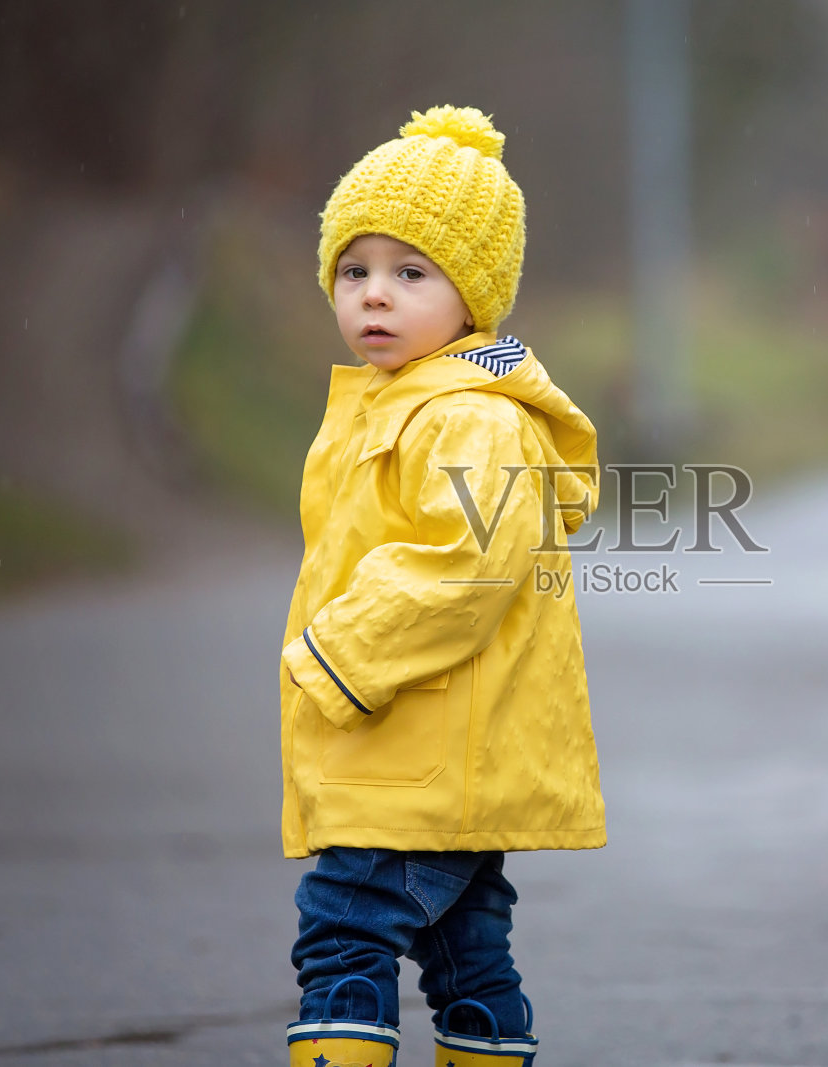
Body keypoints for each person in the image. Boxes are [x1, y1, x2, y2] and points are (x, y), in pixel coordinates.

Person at [278, 105, 606, 1067]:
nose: (375, 296)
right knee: (467, 953)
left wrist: (342, 652)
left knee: (342, 930)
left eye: (411, 273)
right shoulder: (397, 402)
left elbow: (466, 566)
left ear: (475, 298)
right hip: (429, 748)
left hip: (418, 746)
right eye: (355, 270)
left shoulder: (469, 419)